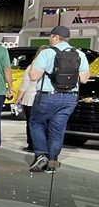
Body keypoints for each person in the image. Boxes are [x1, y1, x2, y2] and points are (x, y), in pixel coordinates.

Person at [26, 25, 90, 172]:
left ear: (55, 37)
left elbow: (34, 76)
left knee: (37, 123)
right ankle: (53, 163)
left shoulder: (47, 53)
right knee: (58, 130)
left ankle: (41, 154)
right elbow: (84, 79)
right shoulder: (79, 54)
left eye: (51, 36)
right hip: (69, 98)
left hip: (47, 97)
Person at [15, 46, 46, 152]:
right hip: (46, 99)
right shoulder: (51, 68)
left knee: (31, 123)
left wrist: (18, 99)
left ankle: (32, 145)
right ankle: (43, 145)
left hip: (30, 99)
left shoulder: (31, 67)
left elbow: (24, 86)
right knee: (44, 123)